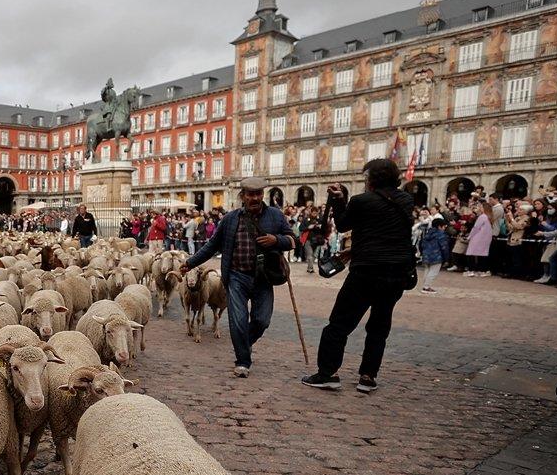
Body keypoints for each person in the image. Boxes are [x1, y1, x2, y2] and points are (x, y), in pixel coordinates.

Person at [303, 159, 415, 393]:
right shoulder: (405, 200)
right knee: (379, 326)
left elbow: (343, 225)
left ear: (372, 180)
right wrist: (355, 249)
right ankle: (368, 376)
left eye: (366, 178)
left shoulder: (362, 201)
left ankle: (328, 373)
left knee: (339, 324)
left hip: (366, 272)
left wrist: (339, 200)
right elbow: (388, 232)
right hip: (396, 273)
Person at [184, 177, 295, 378]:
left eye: (259, 194)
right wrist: (190, 262)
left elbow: (292, 240)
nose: (255, 198)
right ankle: (243, 360)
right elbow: (212, 245)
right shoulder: (230, 219)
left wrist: (276, 240)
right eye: (250, 194)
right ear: (243, 196)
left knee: (262, 320)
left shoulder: (276, 216)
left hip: (264, 278)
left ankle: (245, 343)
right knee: (238, 320)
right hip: (236, 277)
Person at [418, 217, 451, 294]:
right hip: (437, 255)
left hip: (426, 254)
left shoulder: (427, 233)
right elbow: (444, 247)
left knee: (427, 270)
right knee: (433, 272)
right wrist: (446, 258)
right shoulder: (441, 234)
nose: (444, 228)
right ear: (440, 226)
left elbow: (421, 244)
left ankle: (425, 285)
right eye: (444, 227)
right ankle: (426, 287)